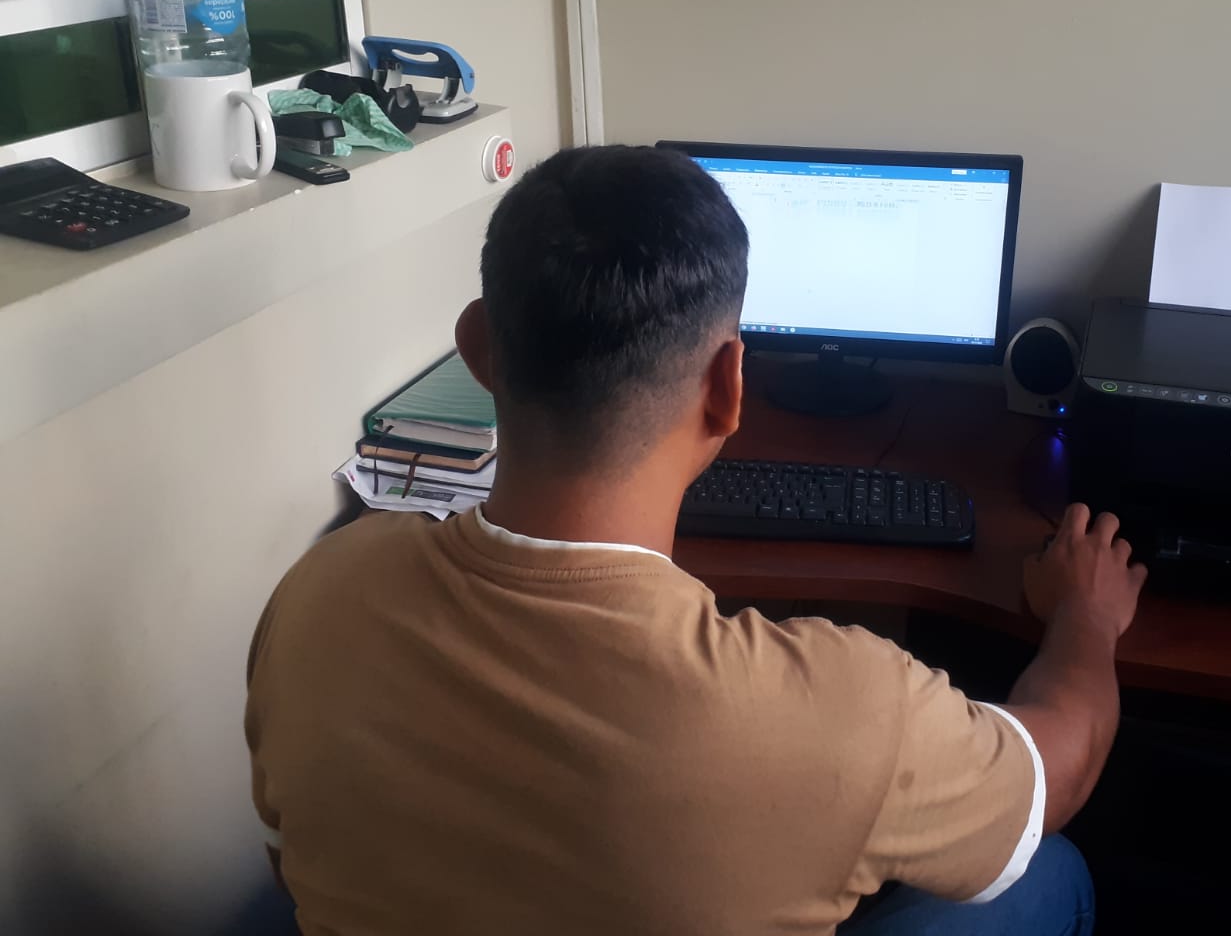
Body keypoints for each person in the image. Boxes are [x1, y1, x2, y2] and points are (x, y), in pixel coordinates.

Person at [245, 145, 1146, 936]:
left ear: (479, 350)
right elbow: (1053, 779)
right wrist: (1087, 620)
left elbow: (293, 871)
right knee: (1050, 875)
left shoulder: (320, 594)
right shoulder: (843, 708)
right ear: (728, 387)